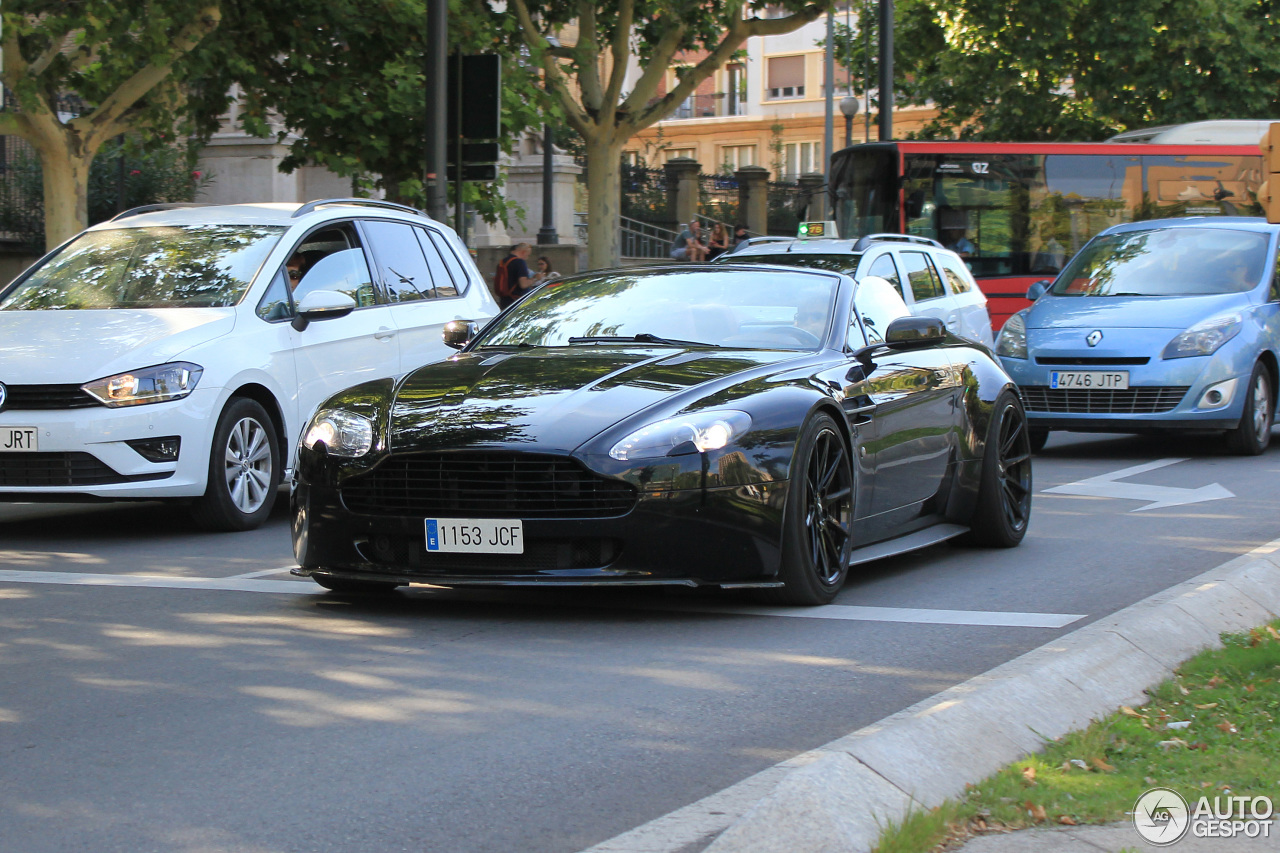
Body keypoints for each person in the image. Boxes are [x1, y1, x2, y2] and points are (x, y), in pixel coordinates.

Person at [494, 242, 534, 308]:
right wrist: (535, 279)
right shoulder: (520, 262)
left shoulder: (503, 262)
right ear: (523, 252)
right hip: (517, 301)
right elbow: (523, 284)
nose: (527, 258)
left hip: (504, 300)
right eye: (528, 255)